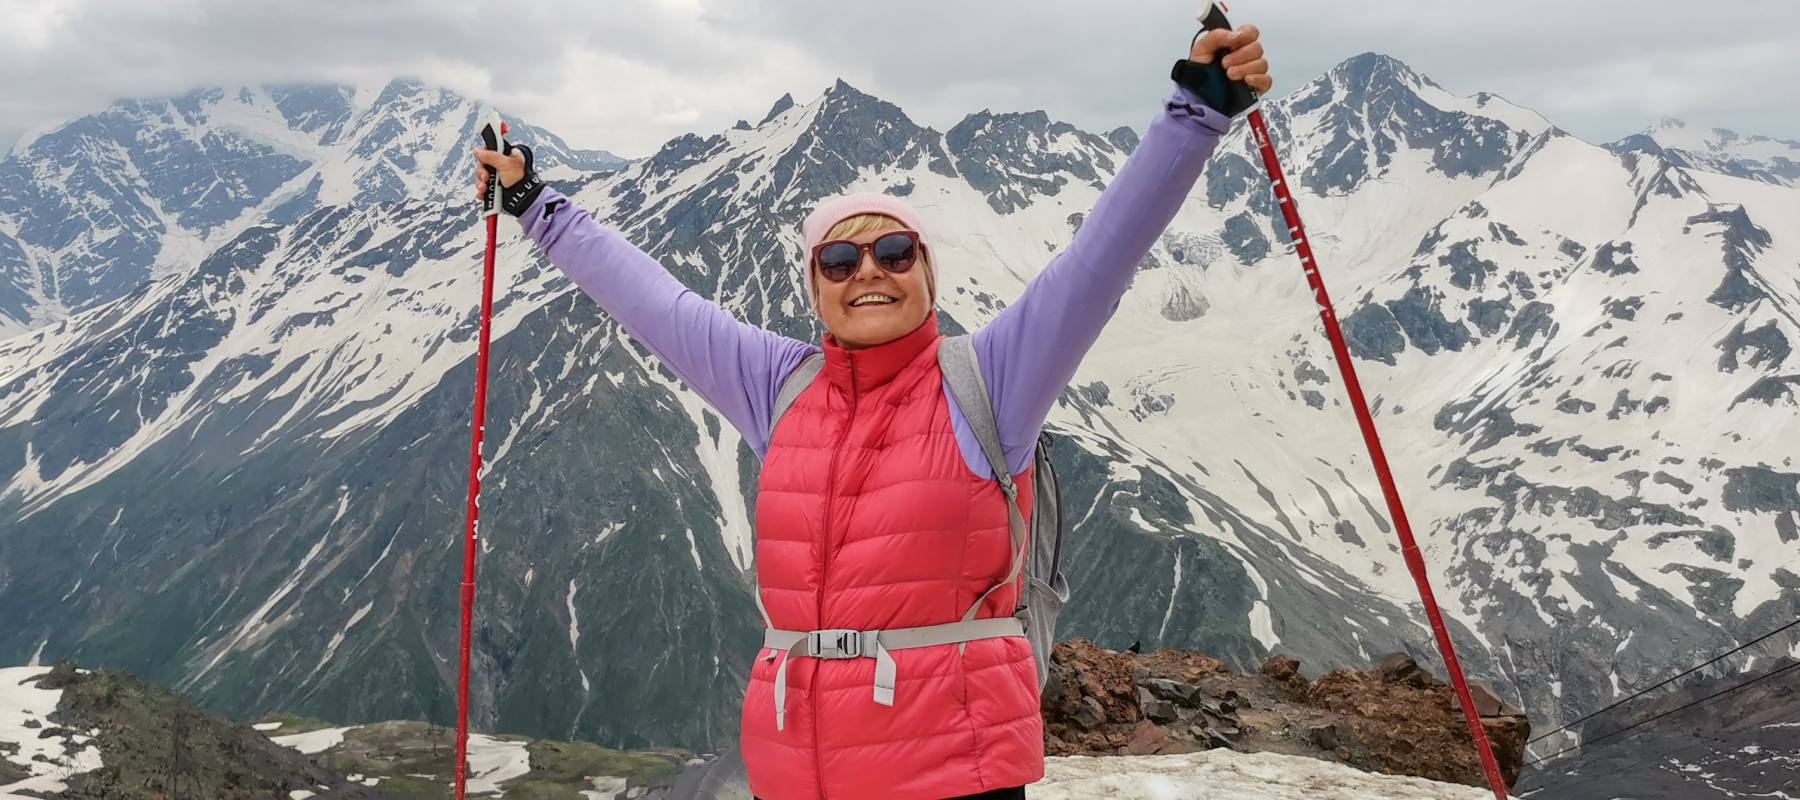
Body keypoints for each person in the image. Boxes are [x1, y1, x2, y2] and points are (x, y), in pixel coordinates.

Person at [475, 22, 1272, 800]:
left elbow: (1100, 258)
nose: (869, 271)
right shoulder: (780, 385)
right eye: (838, 257)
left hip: (952, 771)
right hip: (798, 772)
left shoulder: (990, 380)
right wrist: (535, 204)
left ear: (927, 273)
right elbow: (653, 302)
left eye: (895, 252)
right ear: (814, 286)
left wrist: (1196, 112)